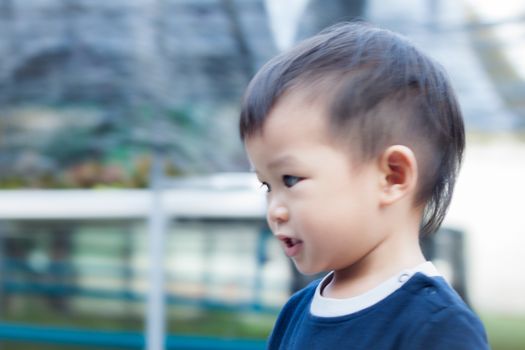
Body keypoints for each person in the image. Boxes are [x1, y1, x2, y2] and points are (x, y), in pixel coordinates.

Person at [239, 22, 489, 349]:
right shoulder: (296, 311)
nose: (275, 211)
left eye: (290, 179)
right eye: (267, 186)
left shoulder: (438, 326)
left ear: (392, 177)